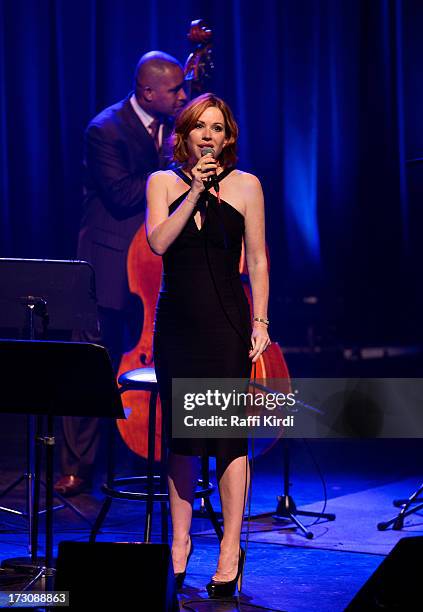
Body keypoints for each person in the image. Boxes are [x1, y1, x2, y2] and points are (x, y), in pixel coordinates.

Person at [146, 93, 271, 597]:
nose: (208, 135)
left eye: (217, 128)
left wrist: (260, 320)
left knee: (226, 440)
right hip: (177, 324)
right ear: (185, 135)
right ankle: (180, 544)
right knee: (183, 440)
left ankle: (229, 547)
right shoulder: (163, 182)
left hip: (227, 326)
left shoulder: (247, 187)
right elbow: (158, 242)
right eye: (200, 126)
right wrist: (194, 193)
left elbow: (258, 260)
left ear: (227, 138)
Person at [54, 51, 187, 497]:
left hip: (155, 265)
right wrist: (175, 166)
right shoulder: (104, 130)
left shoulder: (176, 123)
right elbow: (123, 194)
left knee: (155, 356)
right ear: (148, 92)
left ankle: (150, 454)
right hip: (110, 262)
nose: (183, 96)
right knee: (92, 360)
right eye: (175, 90)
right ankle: (76, 466)